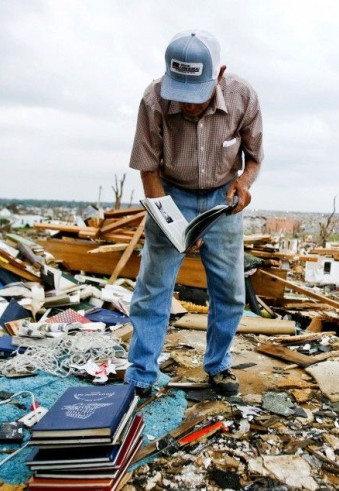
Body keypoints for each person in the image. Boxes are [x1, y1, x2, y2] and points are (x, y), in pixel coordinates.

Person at [125, 30, 264, 397]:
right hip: (169, 193)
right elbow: (148, 170)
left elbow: (254, 158)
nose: (188, 105)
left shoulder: (242, 96)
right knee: (153, 287)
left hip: (223, 199)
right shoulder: (154, 100)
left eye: (196, 97)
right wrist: (172, 226)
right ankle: (141, 374)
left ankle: (218, 366)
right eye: (180, 95)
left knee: (231, 291)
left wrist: (244, 184)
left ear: (218, 75)